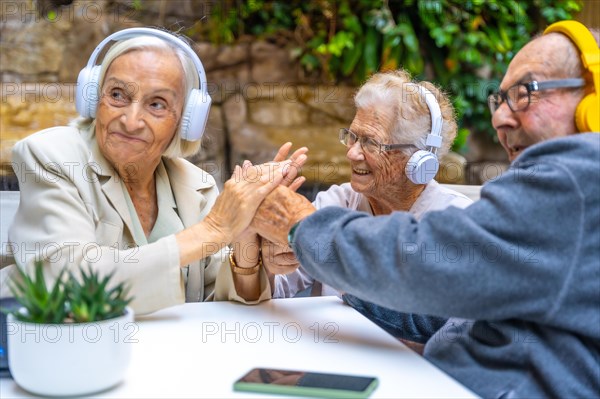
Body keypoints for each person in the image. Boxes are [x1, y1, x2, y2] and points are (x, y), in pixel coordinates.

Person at [245, 21, 600, 397]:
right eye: (500, 99)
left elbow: (427, 263)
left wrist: (301, 224)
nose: (499, 118)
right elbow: (456, 309)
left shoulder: (577, 178)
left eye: (525, 93)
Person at [2, 28, 306, 315]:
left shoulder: (195, 185)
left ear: (185, 121)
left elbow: (218, 308)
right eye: (118, 95)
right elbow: (68, 284)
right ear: (94, 97)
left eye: (157, 104)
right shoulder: (50, 156)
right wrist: (212, 231)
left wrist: (245, 247)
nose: (131, 121)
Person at [266, 70, 472, 318]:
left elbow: (445, 329)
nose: (352, 153)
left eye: (371, 143)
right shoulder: (338, 202)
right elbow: (273, 291)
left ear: (419, 158)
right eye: (352, 137)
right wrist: (264, 249)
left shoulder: (456, 224)